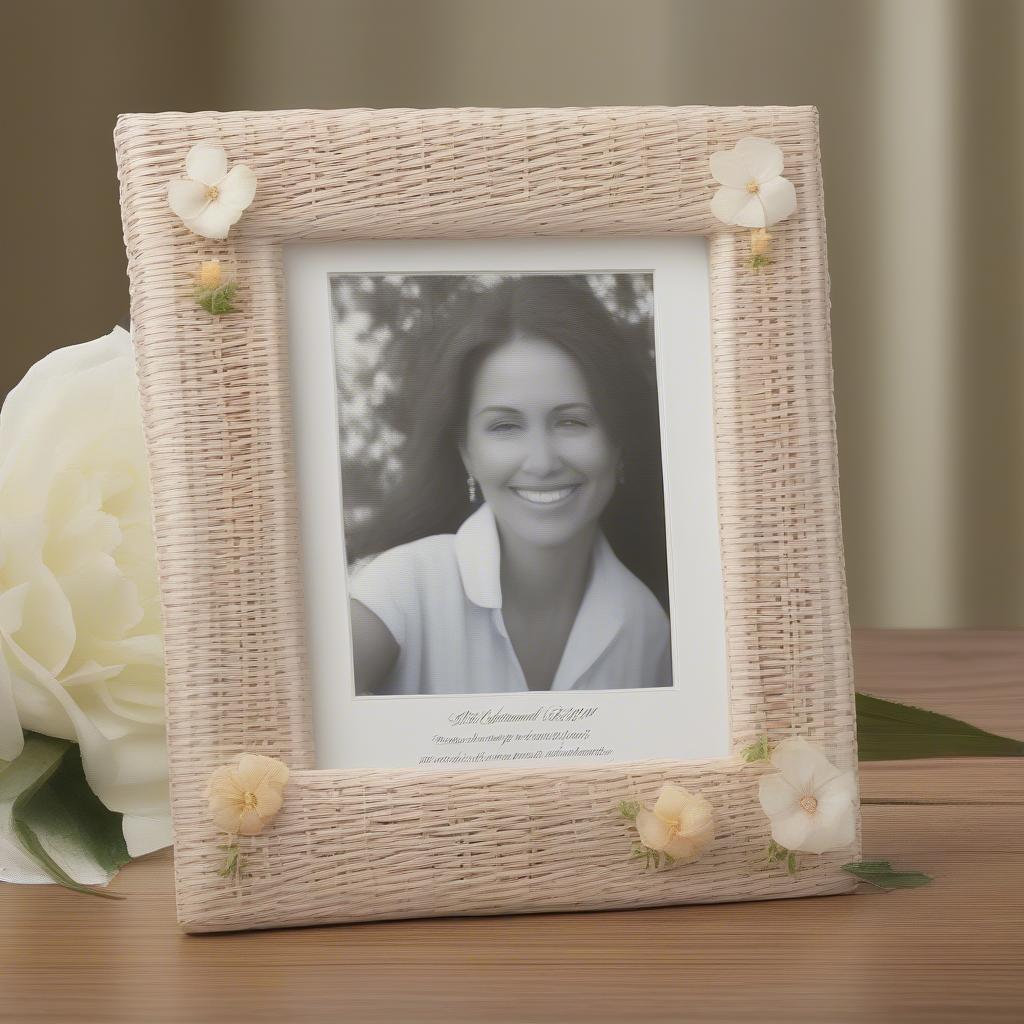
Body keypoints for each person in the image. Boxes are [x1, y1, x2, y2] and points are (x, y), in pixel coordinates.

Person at [346, 275, 671, 695]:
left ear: (618, 441)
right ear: (466, 452)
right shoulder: (397, 591)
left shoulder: (648, 630)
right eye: (505, 426)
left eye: (572, 421)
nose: (542, 462)